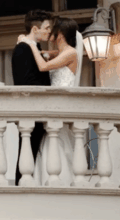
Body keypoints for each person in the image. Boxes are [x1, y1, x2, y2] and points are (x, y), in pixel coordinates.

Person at [18, 17, 83, 186]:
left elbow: (42, 67)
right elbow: (42, 56)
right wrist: (26, 43)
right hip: (51, 107)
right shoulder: (61, 53)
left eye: (52, 29)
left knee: (57, 144)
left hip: (58, 106)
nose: (49, 32)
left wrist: (30, 44)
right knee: (48, 147)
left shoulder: (70, 52)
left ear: (60, 34)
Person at [10, 9, 53, 185]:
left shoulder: (34, 48)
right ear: (35, 29)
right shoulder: (22, 49)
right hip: (32, 109)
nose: (49, 31)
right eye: (47, 28)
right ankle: (20, 188)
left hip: (39, 110)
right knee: (27, 152)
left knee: (35, 153)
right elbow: (24, 81)